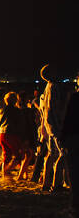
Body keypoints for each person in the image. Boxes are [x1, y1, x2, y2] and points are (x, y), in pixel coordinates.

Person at [40, 64, 73, 192]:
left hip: (49, 125)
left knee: (51, 154)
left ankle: (46, 183)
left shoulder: (47, 87)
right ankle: (56, 184)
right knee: (63, 154)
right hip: (57, 125)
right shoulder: (56, 87)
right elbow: (60, 107)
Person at [59, 78, 78, 217]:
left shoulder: (75, 98)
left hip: (74, 137)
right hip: (73, 137)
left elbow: (67, 119)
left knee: (75, 172)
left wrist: (62, 137)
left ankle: (75, 204)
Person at [0, 92, 23, 181]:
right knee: (18, 156)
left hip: (1, 134)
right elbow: (19, 124)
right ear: (15, 100)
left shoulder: (1, 110)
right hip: (11, 134)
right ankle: (7, 171)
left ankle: (5, 176)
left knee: (6, 155)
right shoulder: (16, 111)